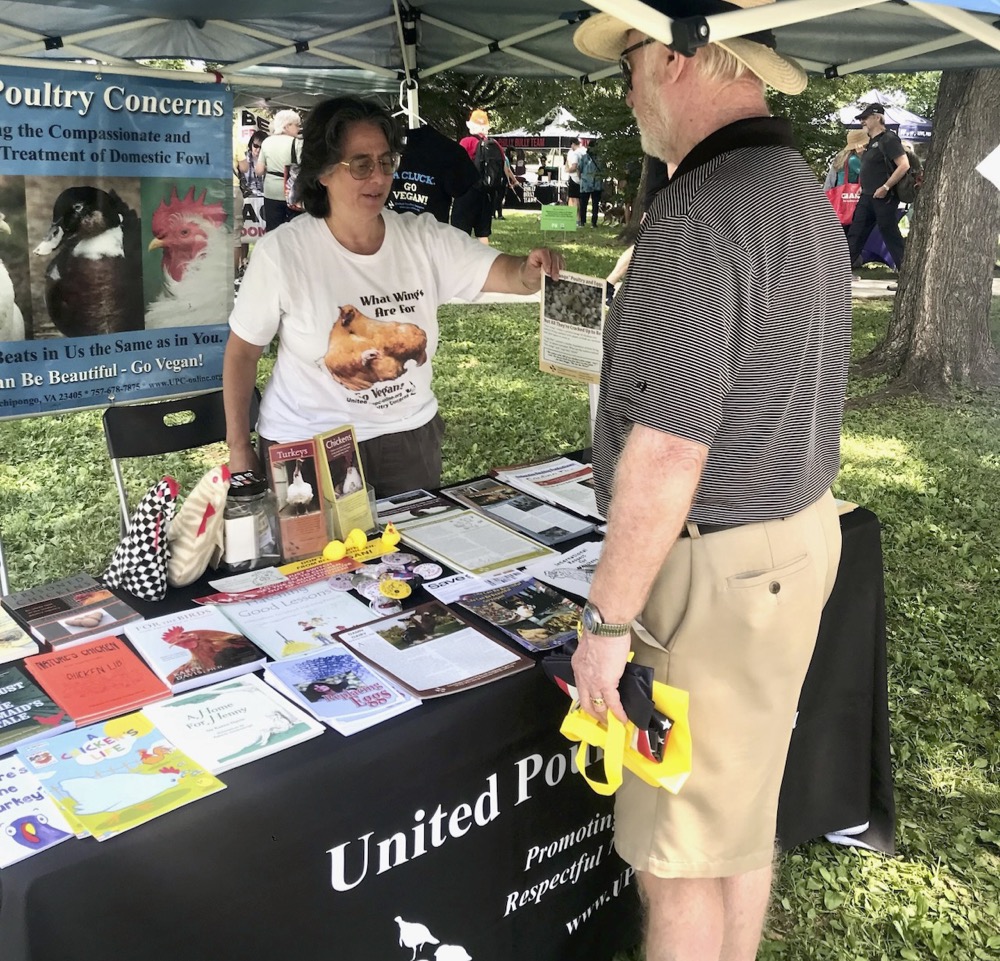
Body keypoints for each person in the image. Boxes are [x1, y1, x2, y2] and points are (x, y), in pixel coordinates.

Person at [571, 5, 851, 961]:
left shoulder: (700, 214)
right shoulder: (797, 185)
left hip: (715, 579)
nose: (629, 89)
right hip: (794, 541)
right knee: (738, 824)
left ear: (681, 58)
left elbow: (667, 452)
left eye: (632, 61)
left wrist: (605, 626)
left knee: (679, 857)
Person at [224, 96, 563, 498]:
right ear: (324, 172)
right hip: (309, 445)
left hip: (408, 441)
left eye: (386, 162)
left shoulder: (422, 237)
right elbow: (242, 353)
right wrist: (239, 449)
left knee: (411, 561)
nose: (379, 178)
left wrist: (529, 269)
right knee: (323, 563)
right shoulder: (283, 252)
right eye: (361, 164)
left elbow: (509, 275)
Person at [846, 102, 909, 272]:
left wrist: (886, 187)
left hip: (884, 197)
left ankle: (906, 272)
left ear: (877, 117)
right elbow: (874, 169)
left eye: (865, 118)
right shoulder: (871, 142)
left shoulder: (889, 138)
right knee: (856, 233)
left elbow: (904, 165)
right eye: (861, 118)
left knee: (890, 234)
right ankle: (839, 272)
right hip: (867, 196)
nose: (862, 121)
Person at [451, 108, 518, 245]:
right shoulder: (495, 145)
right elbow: (504, 167)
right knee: (483, 233)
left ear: (471, 125)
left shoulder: (467, 141)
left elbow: (456, 164)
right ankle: (484, 262)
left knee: (460, 233)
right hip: (487, 194)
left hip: (467, 192)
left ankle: (462, 262)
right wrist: (513, 180)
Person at [255, 109, 302, 233]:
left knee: (273, 231)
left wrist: (270, 169)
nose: (298, 129)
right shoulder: (297, 143)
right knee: (294, 231)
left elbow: (259, 170)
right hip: (292, 193)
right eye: (296, 125)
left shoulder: (266, 142)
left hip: (270, 192)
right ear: (286, 126)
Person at [235, 130, 266, 276]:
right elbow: (243, 174)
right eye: (255, 146)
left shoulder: (267, 158)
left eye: (260, 147)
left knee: (261, 232)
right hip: (247, 197)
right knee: (243, 232)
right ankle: (242, 262)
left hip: (263, 198)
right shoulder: (244, 157)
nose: (257, 150)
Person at [577, 140, 604, 227]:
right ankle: (594, 223)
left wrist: (581, 178)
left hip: (585, 183)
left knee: (583, 204)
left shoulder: (584, 157)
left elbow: (579, 169)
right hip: (597, 184)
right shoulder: (601, 158)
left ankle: (582, 222)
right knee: (595, 204)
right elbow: (604, 171)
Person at [565, 138, 584, 209]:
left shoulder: (575, 153)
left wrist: (567, 170)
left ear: (573, 144)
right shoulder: (584, 151)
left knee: (574, 198)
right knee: (581, 198)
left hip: (574, 178)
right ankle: (580, 216)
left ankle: (576, 216)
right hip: (583, 178)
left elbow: (574, 167)